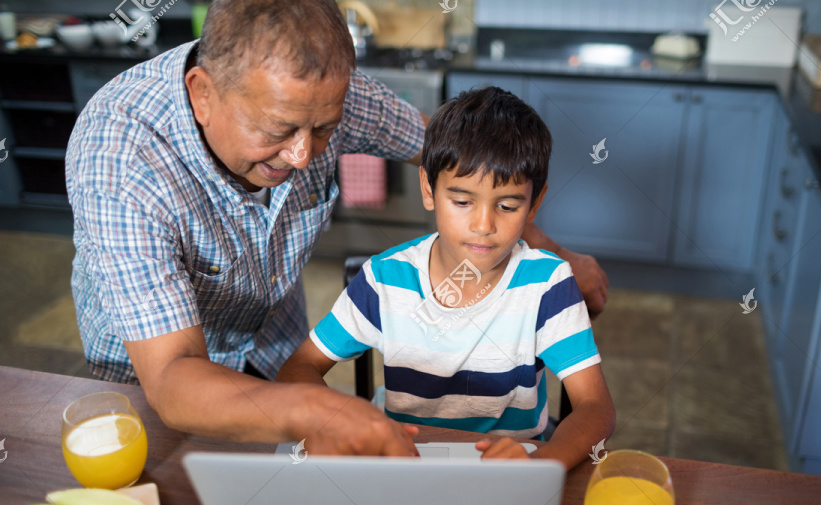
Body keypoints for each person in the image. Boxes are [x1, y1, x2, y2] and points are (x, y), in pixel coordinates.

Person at [67, 0, 608, 456]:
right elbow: (172, 377)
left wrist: (552, 251)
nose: (302, 155)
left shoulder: (327, 93)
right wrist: (318, 408)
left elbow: (465, 163)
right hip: (156, 378)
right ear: (203, 93)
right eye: (278, 130)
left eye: (324, 129)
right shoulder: (120, 157)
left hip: (273, 344)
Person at [277, 87, 615, 470]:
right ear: (428, 189)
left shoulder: (548, 286)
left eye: (507, 205)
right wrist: (335, 424)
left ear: (534, 204)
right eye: (462, 202)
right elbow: (296, 369)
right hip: (404, 468)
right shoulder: (385, 281)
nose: (483, 225)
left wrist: (543, 464)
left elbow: (596, 408)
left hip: (509, 476)